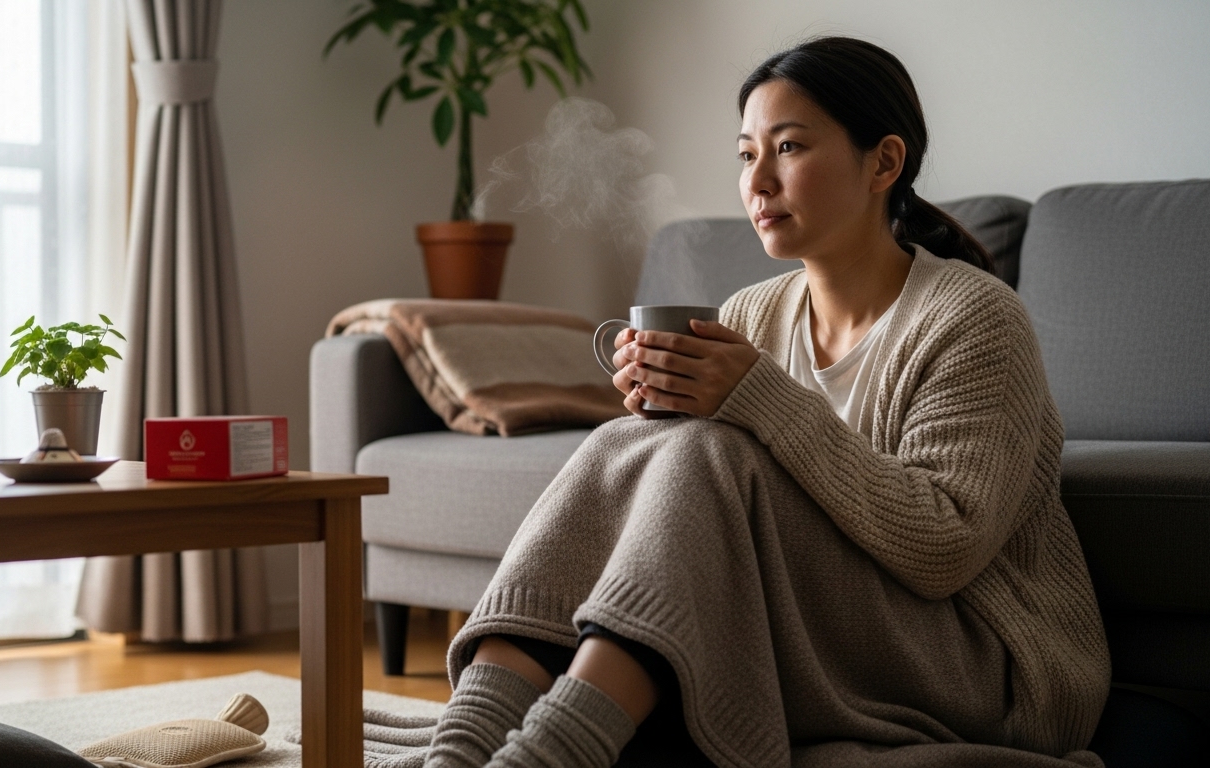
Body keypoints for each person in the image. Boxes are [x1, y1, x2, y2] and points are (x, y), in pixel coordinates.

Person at [394, 36, 1110, 768]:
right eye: (745, 155)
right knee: (624, 444)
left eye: (789, 148)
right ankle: (464, 746)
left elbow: (944, 549)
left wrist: (756, 399)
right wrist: (657, 420)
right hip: (814, 630)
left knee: (708, 451)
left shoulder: (975, 318)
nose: (757, 181)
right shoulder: (752, 314)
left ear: (884, 163)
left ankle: (551, 754)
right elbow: (702, 501)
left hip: (980, 663)